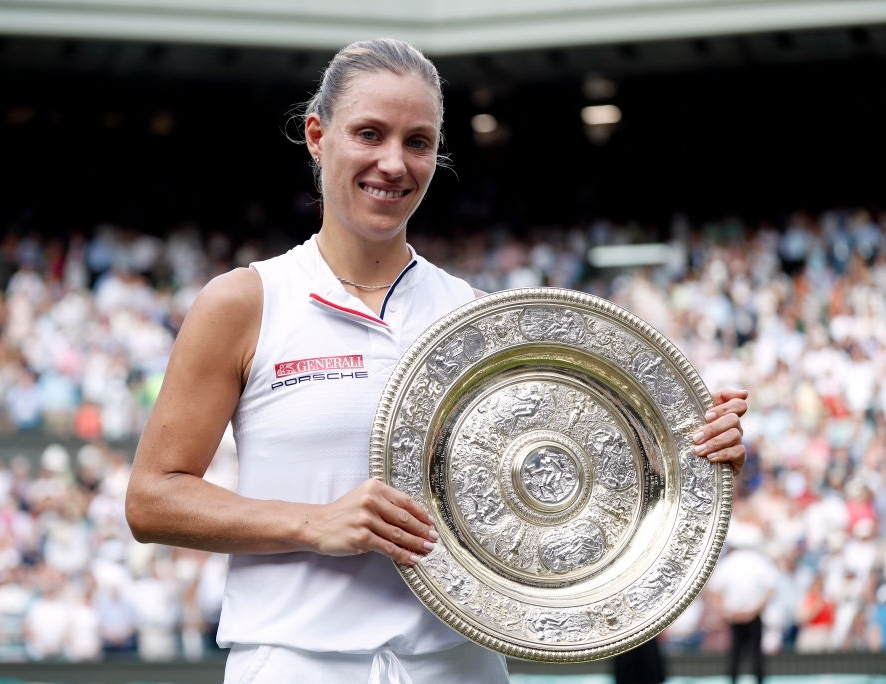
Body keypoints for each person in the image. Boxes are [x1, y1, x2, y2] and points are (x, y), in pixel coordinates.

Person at [124, 36, 750, 684]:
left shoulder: (476, 316)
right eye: (369, 134)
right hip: (296, 663)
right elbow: (152, 499)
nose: (393, 164)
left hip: (460, 666)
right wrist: (315, 523)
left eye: (417, 142)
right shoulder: (246, 301)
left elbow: (562, 476)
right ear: (317, 135)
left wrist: (691, 454)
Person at [707, 519, 780, 684]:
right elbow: (772, 589)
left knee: (734, 655)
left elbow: (714, 591)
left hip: (736, 616)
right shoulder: (760, 562)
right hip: (752, 616)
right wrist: (754, 610)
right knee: (756, 656)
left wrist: (728, 611)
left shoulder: (728, 563)